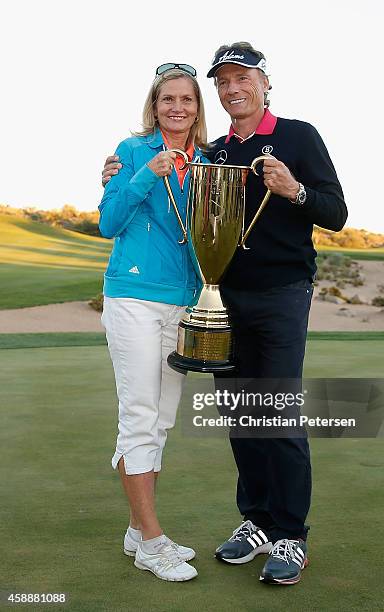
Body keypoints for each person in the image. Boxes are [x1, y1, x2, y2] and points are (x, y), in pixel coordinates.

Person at [102, 42, 348, 586]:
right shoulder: (211, 153)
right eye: (224, 81)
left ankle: (291, 534)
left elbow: (335, 211)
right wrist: (118, 173)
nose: (234, 88)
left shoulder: (299, 135)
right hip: (221, 302)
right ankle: (256, 520)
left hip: (283, 294)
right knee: (240, 418)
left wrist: (296, 190)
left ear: (264, 84)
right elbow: (156, 204)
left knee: (277, 412)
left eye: (244, 79)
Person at [99, 63, 208, 582]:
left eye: (186, 99)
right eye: (168, 99)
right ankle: (149, 540)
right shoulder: (132, 150)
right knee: (140, 417)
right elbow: (108, 222)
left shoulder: (208, 160)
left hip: (183, 303)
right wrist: (148, 172)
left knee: (161, 421)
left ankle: (135, 528)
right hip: (134, 298)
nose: (177, 108)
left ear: (196, 106)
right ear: (155, 104)